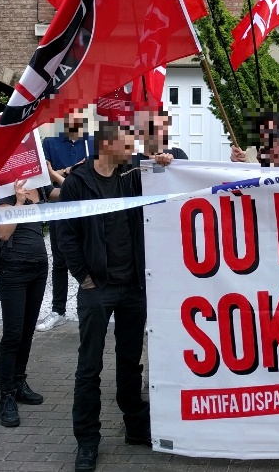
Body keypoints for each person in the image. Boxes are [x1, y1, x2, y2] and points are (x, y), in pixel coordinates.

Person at [56, 120, 174, 472]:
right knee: (89, 366)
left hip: (132, 288)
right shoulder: (79, 183)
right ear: (107, 144)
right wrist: (85, 278)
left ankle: (136, 426)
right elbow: (66, 234)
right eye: (128, 141)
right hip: (98, 289)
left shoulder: (132, 176)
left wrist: (166, 161)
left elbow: (168, 173)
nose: (133, 146)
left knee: (130, 361)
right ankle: (87, 441)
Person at [0, 178, 59, 427]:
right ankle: (6, 396)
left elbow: (66, 195)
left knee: (27, 332)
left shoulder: (40, 186)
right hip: (12, 269)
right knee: (12, 334)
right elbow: (3, 232)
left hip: (38, 267)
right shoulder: (2, 192)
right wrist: (19, 201)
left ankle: (19, 383)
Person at [38, 109, 95, 332]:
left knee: (91, 257)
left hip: (87, 210)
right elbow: (44, 182)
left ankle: (92, 307)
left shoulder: (92, 142)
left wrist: (60, 174)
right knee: (60, 260)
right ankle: (58, 310)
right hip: (59, 210)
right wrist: (69, 170)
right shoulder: (50, 142)